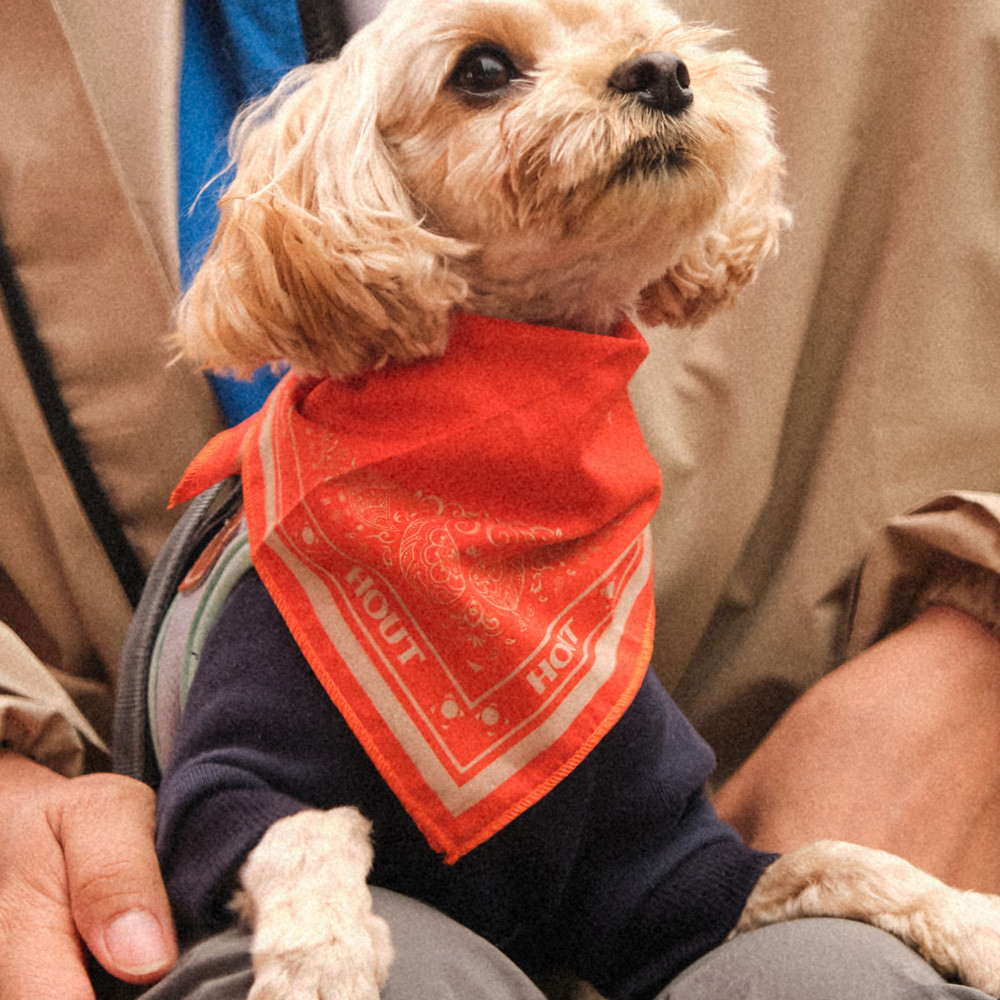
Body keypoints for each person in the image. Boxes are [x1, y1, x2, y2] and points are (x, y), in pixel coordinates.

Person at [1, 0, 998, 998]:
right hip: (141, 867)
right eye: (484, 72)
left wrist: (982, 615)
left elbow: (671, 875)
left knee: (835, 978)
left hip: (808, 784)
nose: (650, 77)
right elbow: (251, 784)